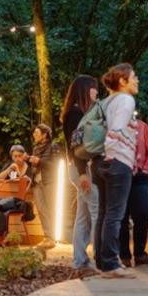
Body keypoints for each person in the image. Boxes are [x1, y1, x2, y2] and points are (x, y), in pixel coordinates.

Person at [93, 63, 139, 279]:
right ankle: (111, 263)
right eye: (134, 77)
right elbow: (116, 130)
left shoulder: (106, 101)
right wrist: (112, 154)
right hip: (116, 160)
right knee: (115, 214)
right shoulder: (126, 100)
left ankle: (102, 262)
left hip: (99, 161)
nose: (137, 80)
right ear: (122, 80)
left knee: (104, 213)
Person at [62, 75, 100, 273]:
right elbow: (75, 145)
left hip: (81, 168)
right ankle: (100, 257)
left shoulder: (77, 112)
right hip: (82, 169)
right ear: (84, 90)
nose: (96, 92)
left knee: (83, 215)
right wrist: (82, 172)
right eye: (93, 88)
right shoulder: (76, 113)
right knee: (96, 210)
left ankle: (80, 259)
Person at [120, 118, 148, 267]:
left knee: (142, 214)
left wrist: (146, 169)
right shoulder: (114, 125)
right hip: (120, 175)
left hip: (139, 176)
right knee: (121, 216)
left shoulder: (142, 127)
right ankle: (124, 255)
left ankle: (140, 253)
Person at [28, 124, 62, 249]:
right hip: (37, 182)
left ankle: (51, 238)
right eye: (34, 133)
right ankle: (47, 237)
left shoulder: (54, 147)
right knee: (41, 210)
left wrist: (39, 161)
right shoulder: (36, 148)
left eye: (37, 133)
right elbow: (34, 167)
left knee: (50, 209)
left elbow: (56, 165)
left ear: (44, 135)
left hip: (49, 182)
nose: (34, 135)